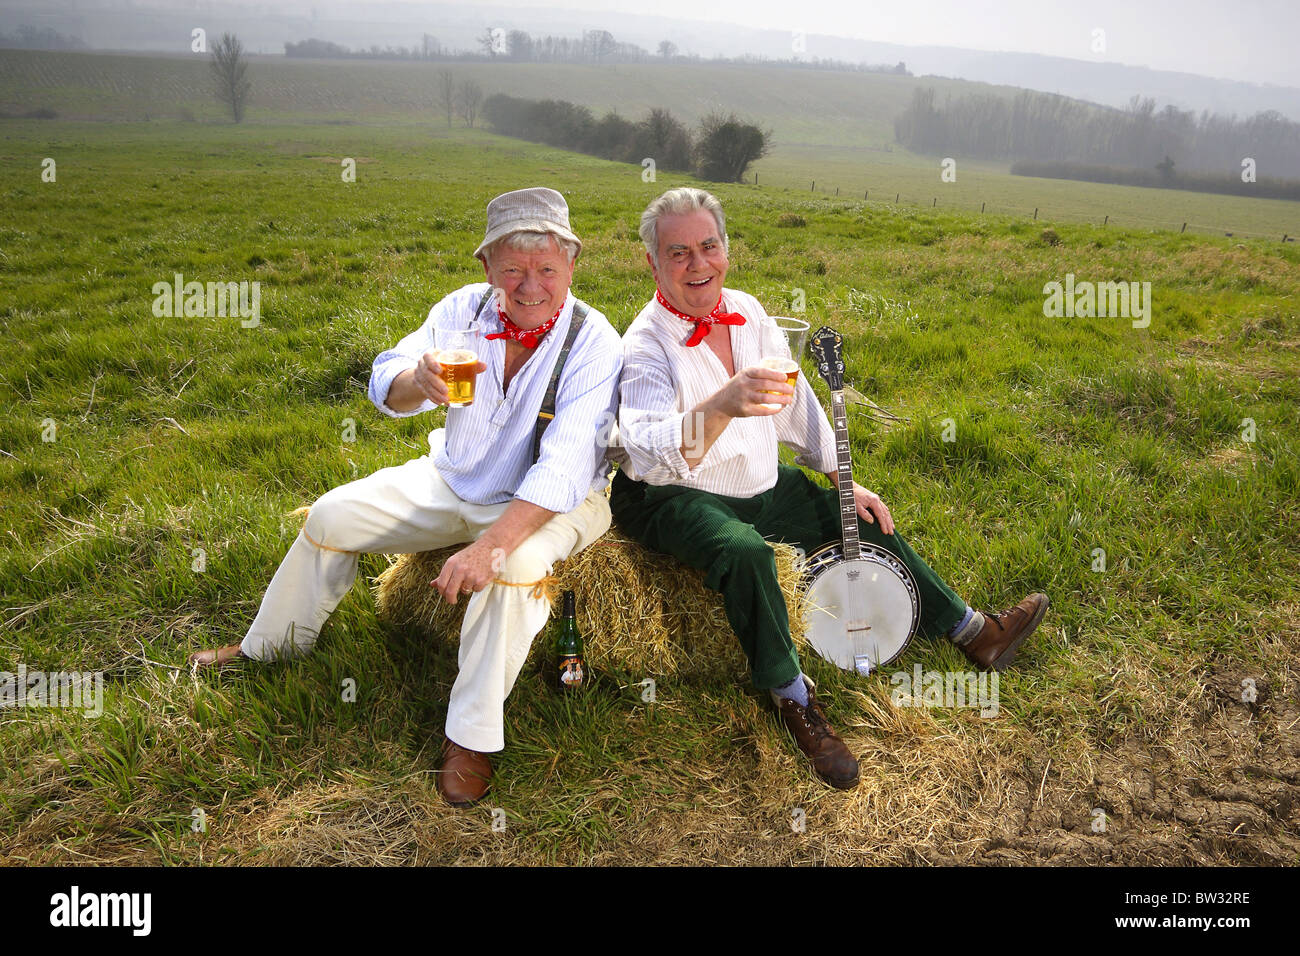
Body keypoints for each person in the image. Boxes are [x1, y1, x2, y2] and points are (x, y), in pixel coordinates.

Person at [189, 187, 623, 807]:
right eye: (514, 270)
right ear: (487, 269)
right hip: (456, 474)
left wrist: (488, 549)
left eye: (547, 269)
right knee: (333, 514)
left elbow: (564, 468)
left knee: (515, 567)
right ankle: (272, 646)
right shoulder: (460, 311)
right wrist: (410, 381)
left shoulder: (595, 343)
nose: (531, 285)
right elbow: (386, 376)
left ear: (572, 266)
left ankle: (471, 735)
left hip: (556, 498)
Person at [610, 187, 1048, 790]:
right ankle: (793, 699)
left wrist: (844, 479)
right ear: (652, 263)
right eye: (678, 252)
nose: (698, 264)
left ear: (727, 250)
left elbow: (796, 405)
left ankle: (975, 632)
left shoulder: (749, 312)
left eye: (709, 246)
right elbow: (649, 450)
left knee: (858, 518)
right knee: (744, 553)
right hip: (669, 492)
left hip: (757, 480)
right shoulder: (645, 346)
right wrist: (723, 403)